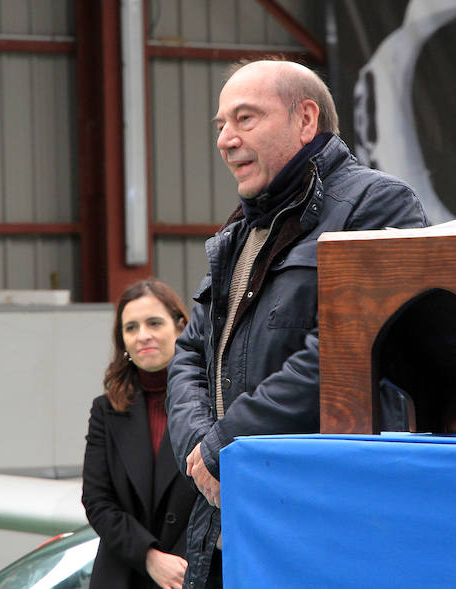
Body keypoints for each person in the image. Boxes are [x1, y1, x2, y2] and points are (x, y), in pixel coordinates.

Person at [166, 59, 428, 588]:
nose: (225, 139)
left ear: (305, 120)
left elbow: (345, 349)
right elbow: (191, 353)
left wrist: (225, 445)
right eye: (221, 124)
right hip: (227, 528)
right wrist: (202, 450)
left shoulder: (377, 206)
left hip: (326, 529)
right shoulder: (239, 233)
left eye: (245, 119)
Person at [82, 279, 198, 589]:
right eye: (131, 327)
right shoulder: (106, 411)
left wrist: (182, 563)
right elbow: (97, 501)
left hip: (195, 574)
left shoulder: (212, 403)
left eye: (154, 323)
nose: (142, 335)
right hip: (125, 574)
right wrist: (149, 556)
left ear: (180, 327)